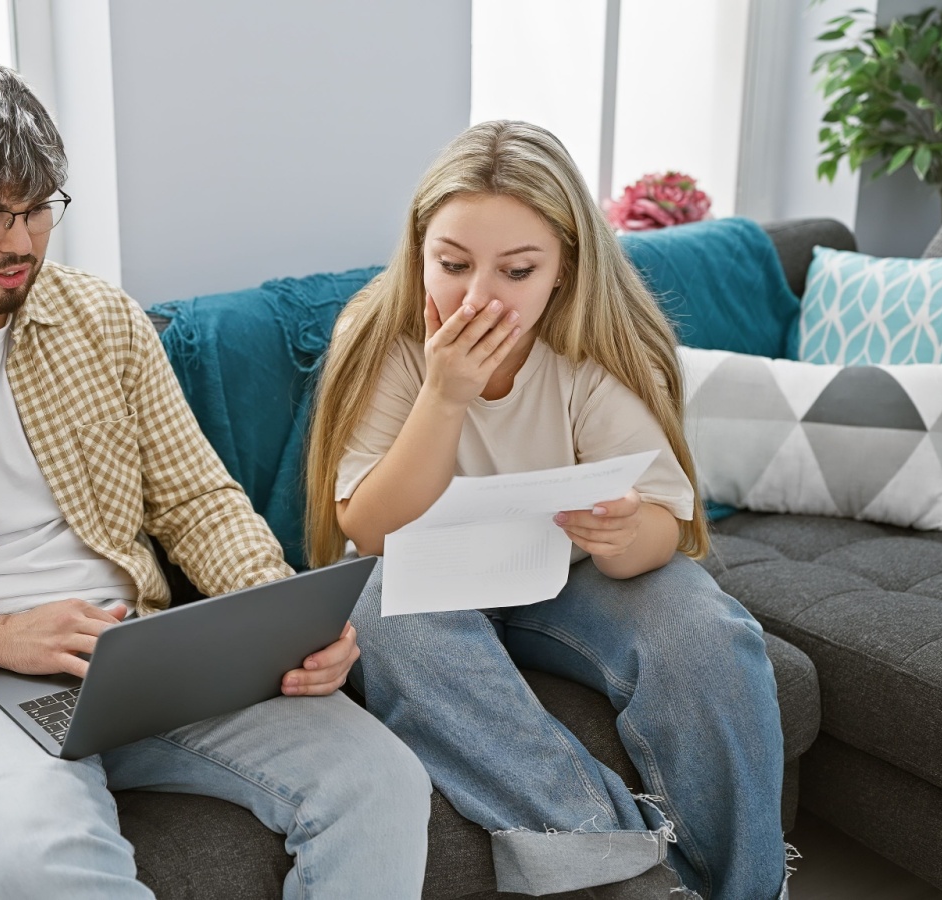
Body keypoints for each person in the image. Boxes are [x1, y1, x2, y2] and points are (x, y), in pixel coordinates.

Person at [0, 55, 431, 900]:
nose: (20, 241)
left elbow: (196, 499)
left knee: (382, 783)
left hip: (140, 654)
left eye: (37, 210)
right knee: (33, 864)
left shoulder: (103, 320)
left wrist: (280, 618)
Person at [304, 120, 788, 899]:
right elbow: (370, 527)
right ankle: (632, 882)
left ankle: (747, 890)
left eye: (517, 271)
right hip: (428, 577)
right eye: (452, 265)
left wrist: (627, 532)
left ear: (563, 267)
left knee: (708, 633)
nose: (478, 297)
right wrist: (445, 395)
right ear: (419, 250)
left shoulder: (600, 343)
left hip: (567, 575)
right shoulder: (382, 331)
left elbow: (662, 526)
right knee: (379, 604)